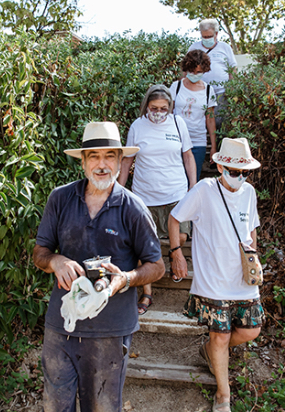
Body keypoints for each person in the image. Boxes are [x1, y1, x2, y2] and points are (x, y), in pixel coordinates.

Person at [33, 121, 165, 412]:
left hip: (111, 330)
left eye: (109, 156)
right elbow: (40, 252)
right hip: (62, 326)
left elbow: (156, 266)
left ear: (120, 161)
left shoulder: (133, 208)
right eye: (94, 156)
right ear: (83, 162)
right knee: (55, 406)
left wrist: (126, 279)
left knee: (102, 408)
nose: (102, 164)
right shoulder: (60, 198)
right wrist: (56, 260)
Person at [168, 137, 263, 412]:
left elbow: (252, 228)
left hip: (242, 278)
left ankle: (210, 352)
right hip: (213, 277)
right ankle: (223, 395)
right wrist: (176, 252)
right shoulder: (203, 190)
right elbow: (175, 218)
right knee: (220, 335)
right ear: (220, 167)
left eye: (244, 172)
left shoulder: (250, 193)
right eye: (235, 172)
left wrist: (253, 256)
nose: (240, 178)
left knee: (250, 330)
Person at [118, 85, 197, 314]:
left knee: (181, 236)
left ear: (170, 107)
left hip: (176, 193)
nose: (159, 112)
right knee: (143, 245)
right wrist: (119, 190)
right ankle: (147, 293)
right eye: (154, 108)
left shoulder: (178, 123)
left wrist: (193, 187)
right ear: (146, 106)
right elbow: (126, 161)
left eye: (164, 108)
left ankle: (174, 255)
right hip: (145, 196)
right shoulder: (137, 126)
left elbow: (188, 156)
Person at [170, 49, 218, 182]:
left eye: (199, 72)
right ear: (186, 69)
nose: (195, 75)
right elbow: (168, 112)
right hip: (176, 140)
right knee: (175, 179)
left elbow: (210, 119)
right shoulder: (176, 87)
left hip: (198, 142)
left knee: (193, 180)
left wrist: (213, 147)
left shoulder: (209, 91)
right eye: (192, 71)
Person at [188, 18, 237, 129]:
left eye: (209, 36)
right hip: (199, 93)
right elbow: (186, 69)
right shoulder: (194, 47)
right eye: (204, 37)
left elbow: (232, 69)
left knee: (220, 123)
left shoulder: (225, 47)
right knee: (199, 123)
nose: (206, 39)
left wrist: (232, 87)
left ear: (216, 34)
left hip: (220, 93)